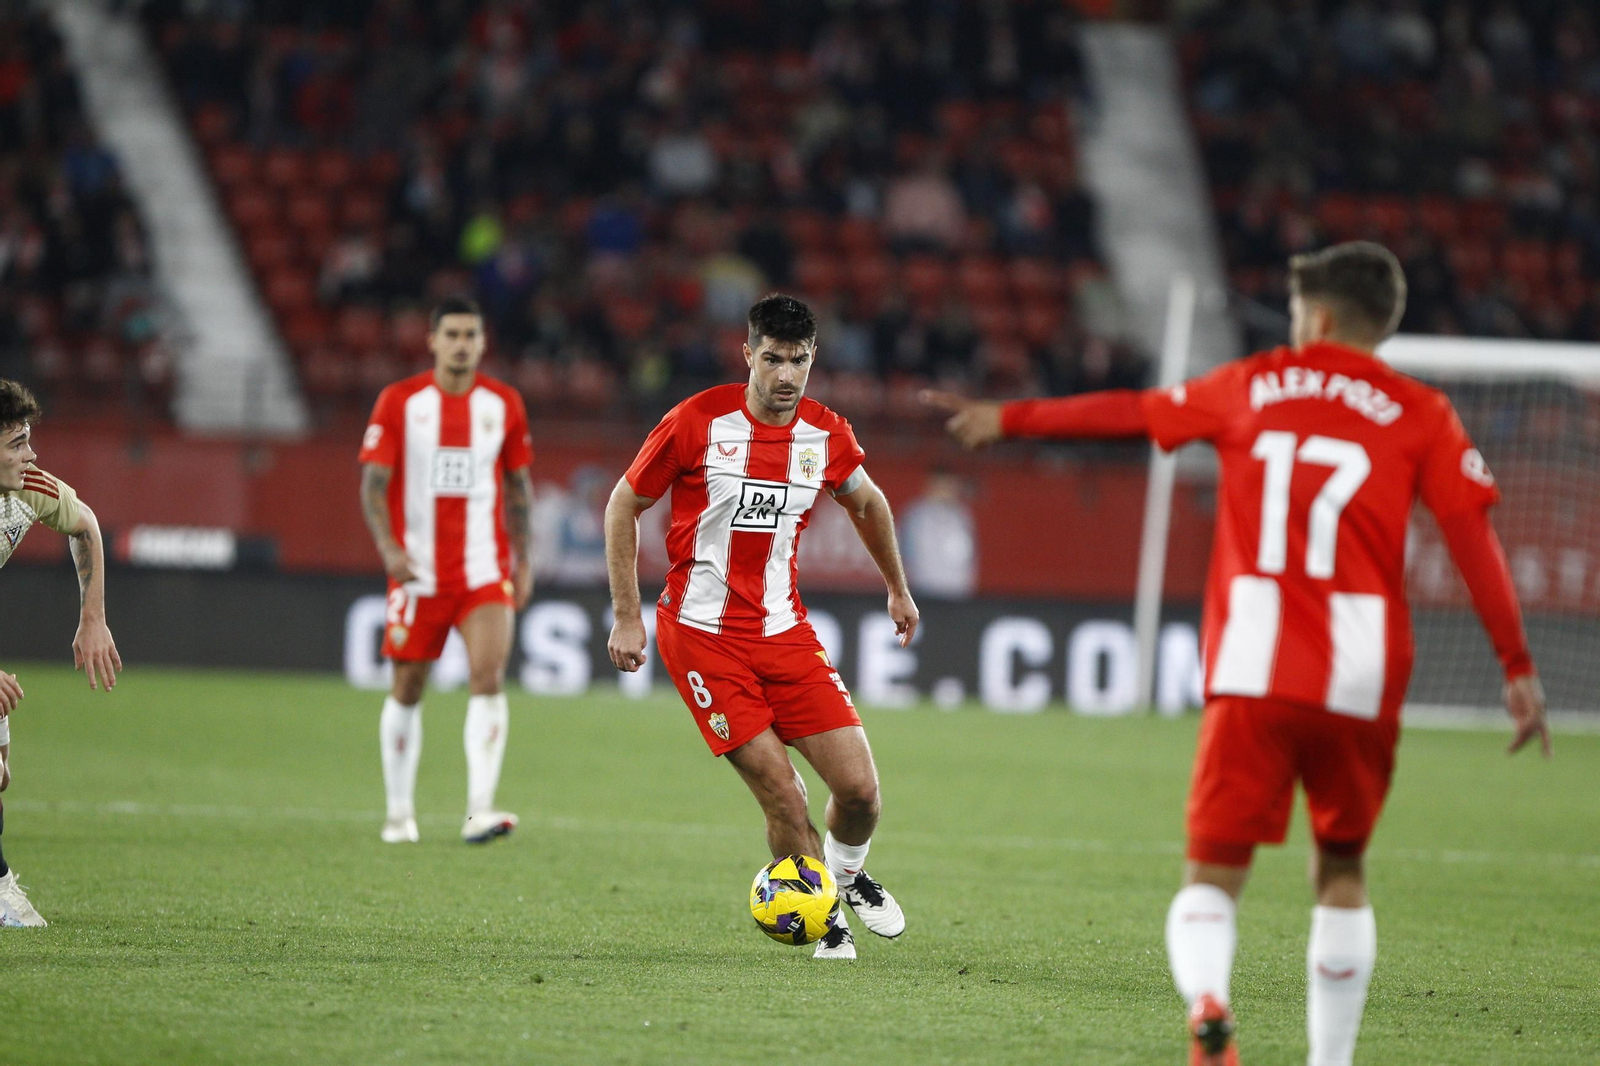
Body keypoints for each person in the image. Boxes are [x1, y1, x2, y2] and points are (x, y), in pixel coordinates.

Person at [927, 242, 1548, 1066]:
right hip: (1361, 671)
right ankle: (1330, 1060)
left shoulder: (1253, 384)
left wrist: (1010, 418)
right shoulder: (1421, 412)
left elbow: (1135, 413)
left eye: (1296, 314)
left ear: (1317, 317)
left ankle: (1211, 1002)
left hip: (1254, 664)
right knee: (1341, 868)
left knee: (1212, 878)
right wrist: (1515, 665)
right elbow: (1474, 542)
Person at [605, 294, 919, 961]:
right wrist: (627, 615)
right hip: (701, 635)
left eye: (797, 360)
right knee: (783, 793)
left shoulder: (826, 433)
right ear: (747, 354)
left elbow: (867, 500)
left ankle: (847, 875)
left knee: (860, 792)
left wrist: (897, 586)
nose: (784, 375)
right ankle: (823, 918)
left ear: (813, 359)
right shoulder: (695, 422)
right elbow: (622, 505)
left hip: (784, 631)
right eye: (771, 358)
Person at [359, 296, 535, 845]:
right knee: (408, 686)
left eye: (470, 335)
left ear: (483, 343)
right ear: (432, 340)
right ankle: (398, 816)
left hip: (482, 572)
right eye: (452, 334)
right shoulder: (400, 402)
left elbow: (519, 488)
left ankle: (479, 809)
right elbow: (372, 485)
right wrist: (388, 548)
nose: (462, 344)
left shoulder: (504, 404)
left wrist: (523, 559)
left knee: (489, 677)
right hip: (418, 573)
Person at [0, 379, 122, 927]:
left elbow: (86, 525)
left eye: (28, 439)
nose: (30, 454)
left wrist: (92, 619)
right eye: (16, 443)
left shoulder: (26, 487)